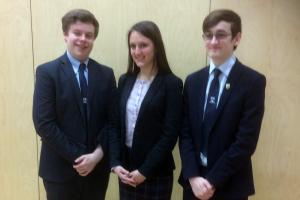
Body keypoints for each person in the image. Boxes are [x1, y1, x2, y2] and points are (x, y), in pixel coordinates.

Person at [179, 9, 266, 200]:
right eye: (208, 35)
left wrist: (212, 181)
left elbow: (245, 142)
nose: (213, 42)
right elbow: (185, 133)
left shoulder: (252, 82)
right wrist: (193, 176)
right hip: (193, 184)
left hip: (230, 185)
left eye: (220, 35)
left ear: (237, 38)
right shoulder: (193, 81)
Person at [32, 9, 116, 200]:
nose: (83, 39)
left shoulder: (106, 74)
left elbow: (112, 121)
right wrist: (80, 158)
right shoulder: (47, 72)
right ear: (65, 35)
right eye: (77, 33)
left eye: (89, 35)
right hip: (59, 171)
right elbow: (44, 123)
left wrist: (95, 157)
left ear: (94, 39)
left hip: (96, 170)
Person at [109, 21, 182, 200]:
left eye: (143, 45)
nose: (137, 51)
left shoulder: (171, 84)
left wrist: (144, 171)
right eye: (133, 46)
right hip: (126, 171)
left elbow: (170, 134)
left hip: (155, 173)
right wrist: (115, 163)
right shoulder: (125, 80)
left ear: (156, 46)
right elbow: (114, 126)